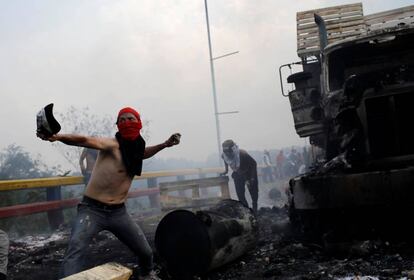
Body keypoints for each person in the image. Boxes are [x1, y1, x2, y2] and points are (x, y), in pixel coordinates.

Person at [37, 107, 180, 279]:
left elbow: (142, 154)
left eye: (131, 119)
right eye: (122, 120)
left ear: (139, 123)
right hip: (92, 210)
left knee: (145, 252)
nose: (127, 122)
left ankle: (146, 274)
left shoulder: (135, 149)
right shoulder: (111, 145)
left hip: (118, 213)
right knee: (75, 250)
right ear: (117, 125)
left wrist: (164, 144)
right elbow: (84, 139)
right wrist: (57, 137)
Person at [220, 140, 258, 214]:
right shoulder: (223, 155)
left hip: (249, 172)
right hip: (237, 173)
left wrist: (252, 178)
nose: (227, 153)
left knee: (253, 192)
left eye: (229, 151)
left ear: (233, 149)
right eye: (226, 152)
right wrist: (226, 170)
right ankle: (247, 211)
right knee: (240, 194)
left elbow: (254, 163)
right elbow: (226, 161)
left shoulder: (242, 153)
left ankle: (255, 208)